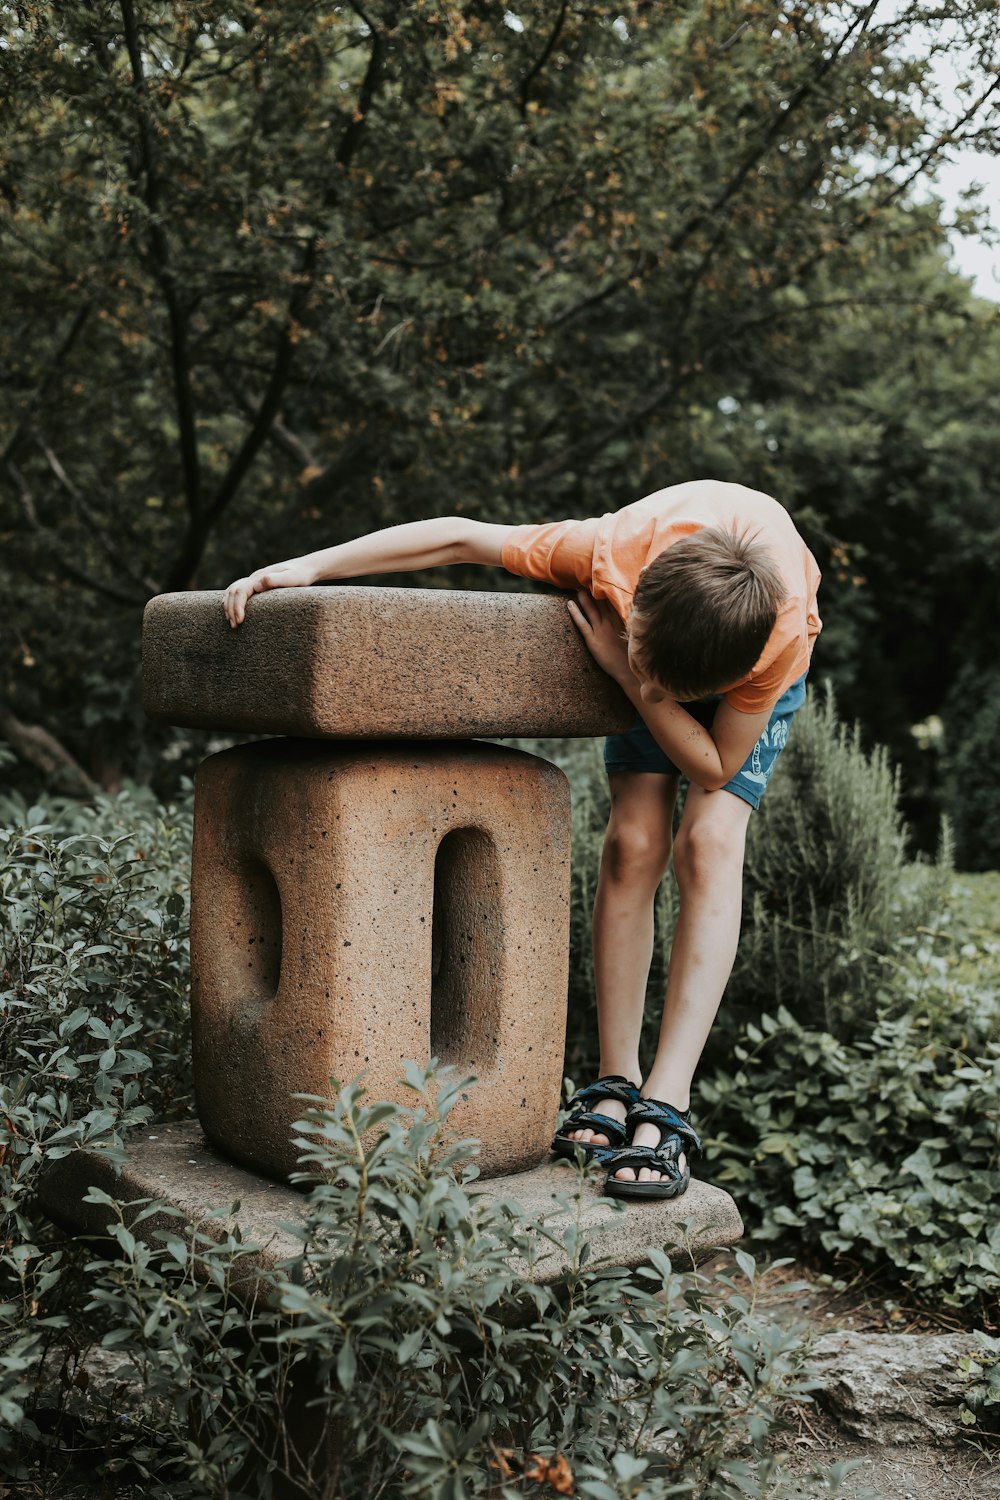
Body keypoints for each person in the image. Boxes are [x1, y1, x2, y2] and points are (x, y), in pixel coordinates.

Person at [223, 478, 821, 1201]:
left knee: (709, 843)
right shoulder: (609, 555)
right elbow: (462, 535)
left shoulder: (780, 638)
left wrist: (636, 683)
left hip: (703, 660)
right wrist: (311, 567)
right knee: (633, 843)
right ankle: (615, 1078)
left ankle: (668, 1100)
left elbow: (716, 763)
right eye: (640, 652)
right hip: (653, 644)